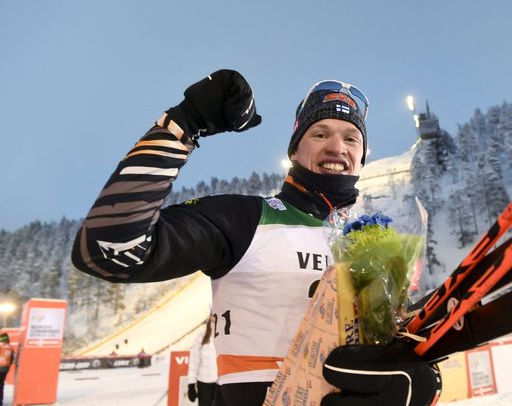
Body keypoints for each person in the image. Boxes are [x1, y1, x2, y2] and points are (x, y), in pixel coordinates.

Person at [71, 70, 440, 406]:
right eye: (320, 133)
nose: (337, 147)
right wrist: (181, 126)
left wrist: (414, 373)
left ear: (361, 157)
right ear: (294, 150)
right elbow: (106, 250)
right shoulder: (245, 219)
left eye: (351, 138)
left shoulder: (371, 244)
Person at [187, 317, 218, 405]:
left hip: (220, 384)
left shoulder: (224, 337)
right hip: (204, 384)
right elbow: (194, 362)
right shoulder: (201, 337)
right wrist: (191, 384)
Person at [0, 333, 14, 406]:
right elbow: (11, 359)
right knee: (1, 385)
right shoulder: (10, 347)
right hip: (5, 369)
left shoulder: (0, 346)